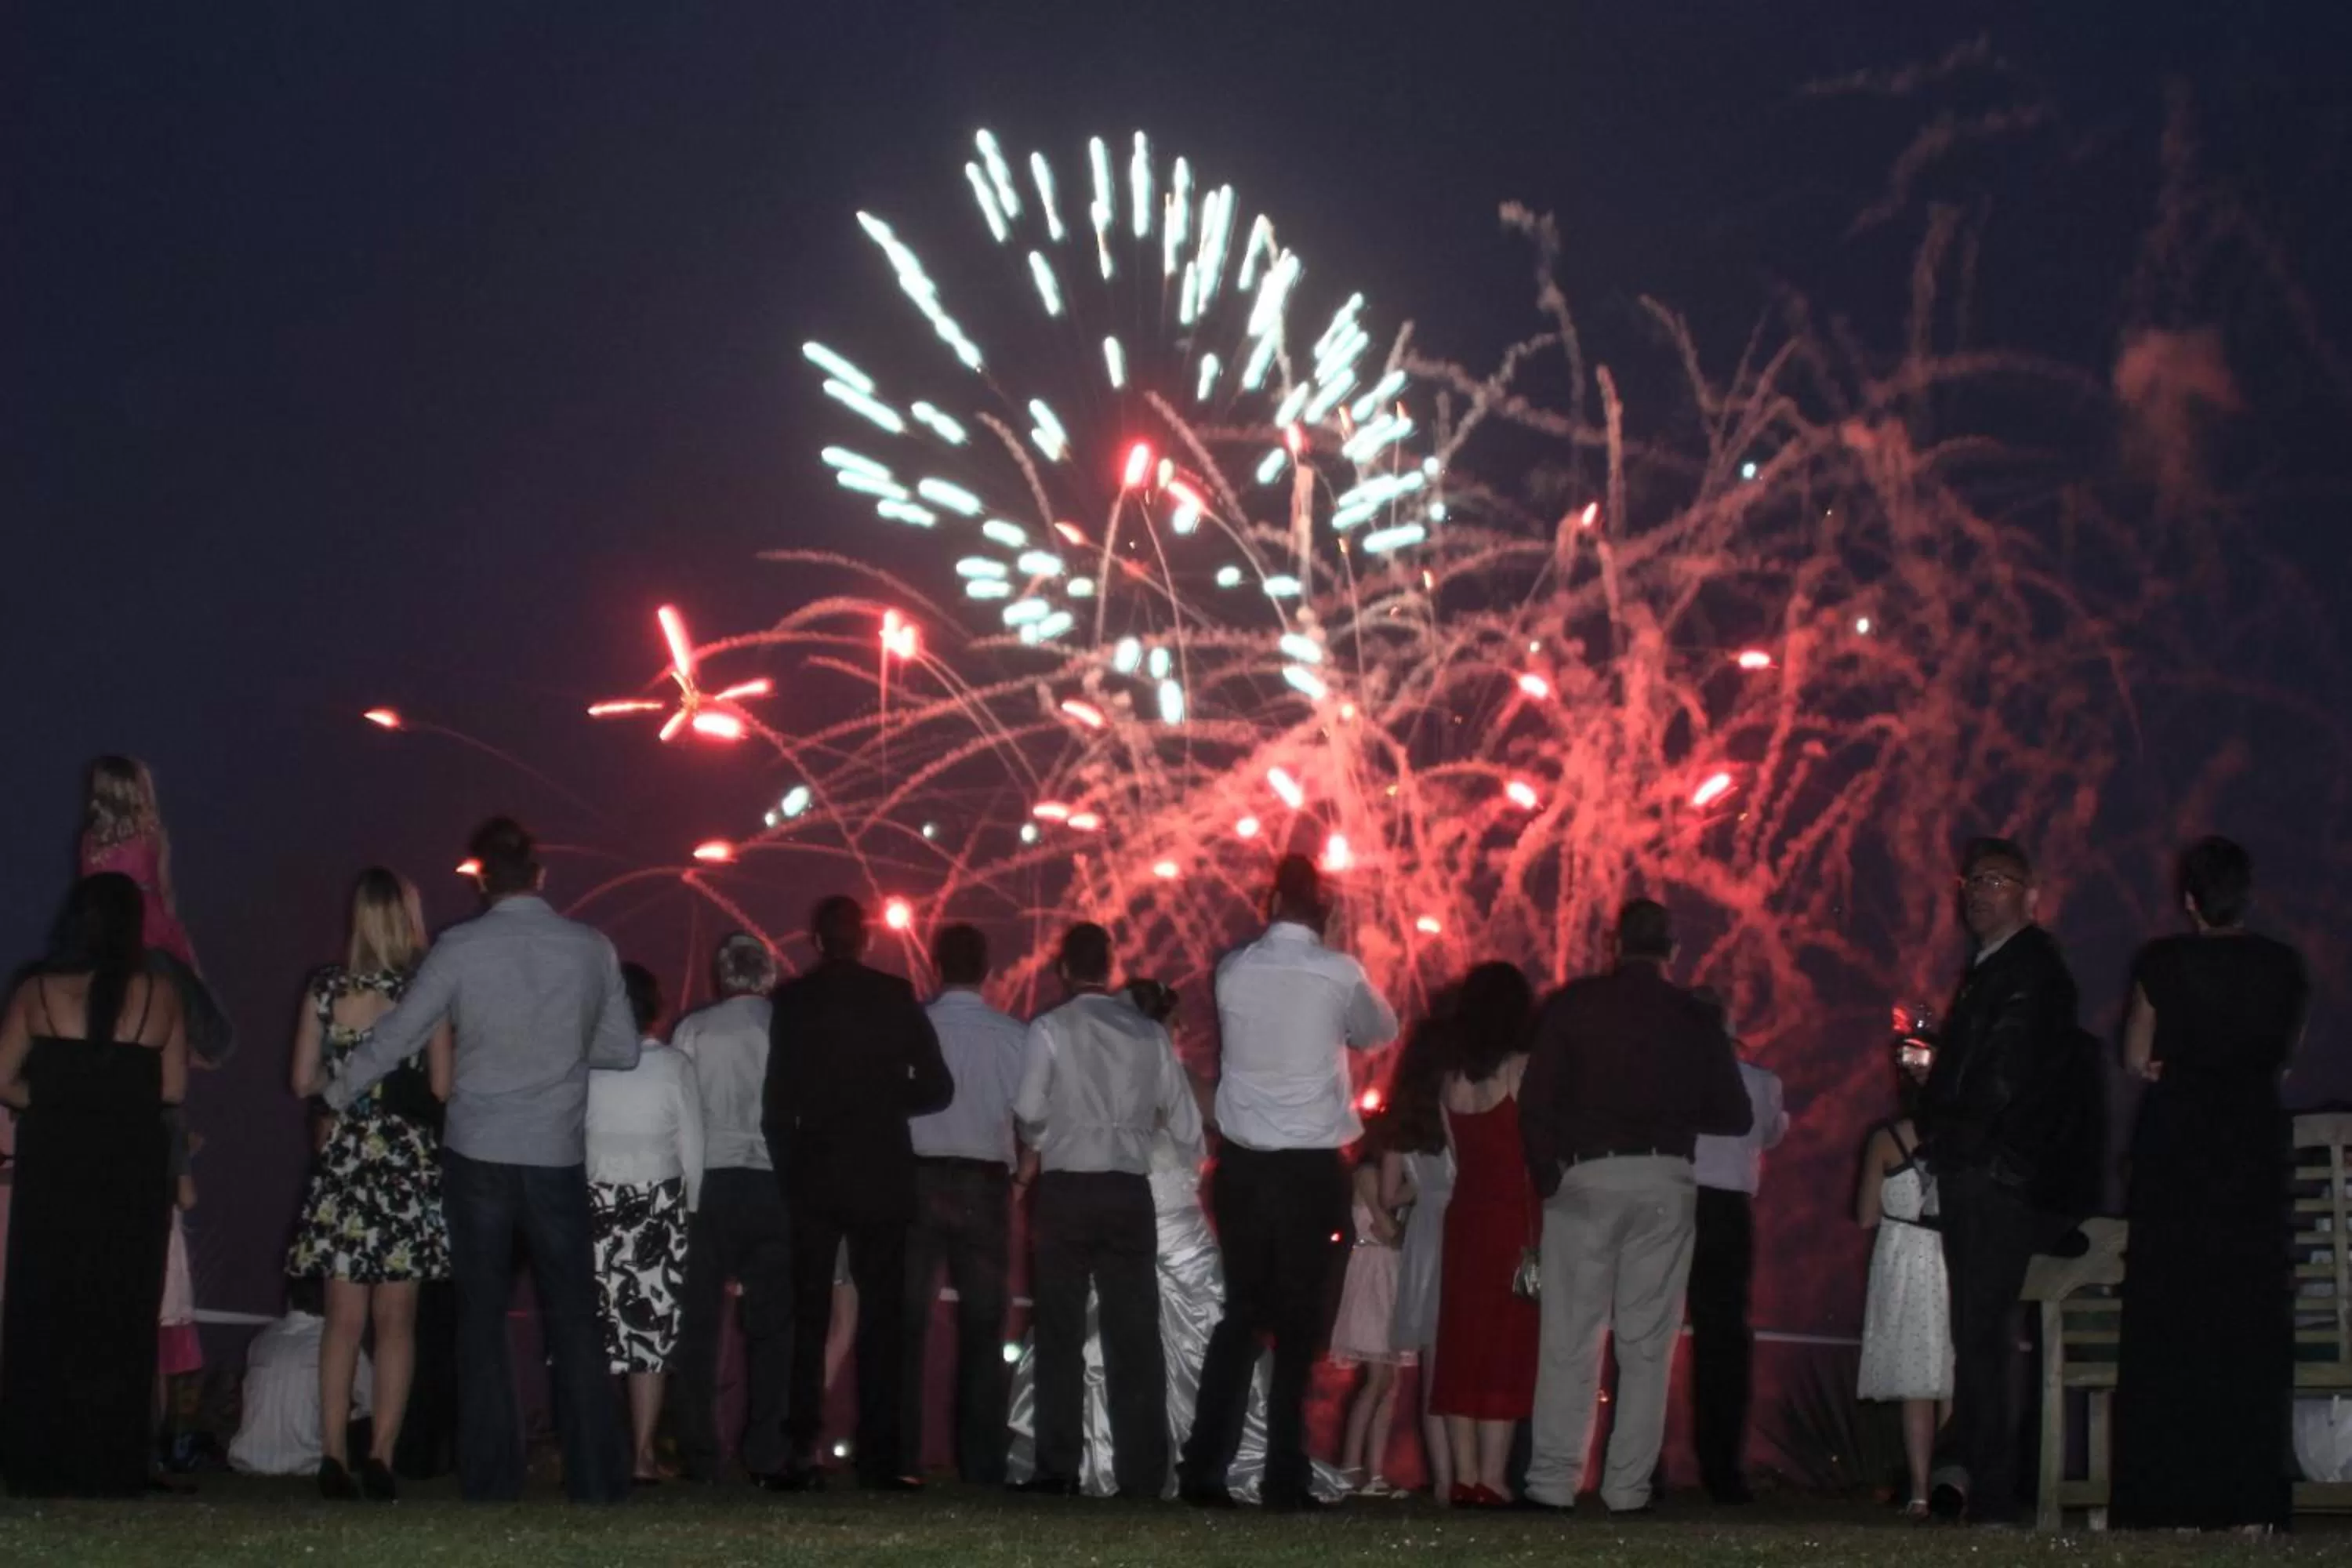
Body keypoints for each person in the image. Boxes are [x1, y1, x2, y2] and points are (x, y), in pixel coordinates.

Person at [321, 816, 641, 1504]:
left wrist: (339, 1089)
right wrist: (557, 1049)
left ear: (482, 880)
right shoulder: (591, 948)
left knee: (481, 1317)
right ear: (541, 875)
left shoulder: (459, 947)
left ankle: (493, 1478)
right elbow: (623, 1050)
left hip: (477, 1151)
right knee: (574, 1318)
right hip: (554, 1152)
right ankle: (596, 1477)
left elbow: (400, 1032)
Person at [1003, 978, 1349, 1504]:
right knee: (1181, 1336)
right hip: (1165, 1220)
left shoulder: (1097, 1062)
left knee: (1094, 1338)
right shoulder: (1180, 1076)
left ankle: (1088, 1461)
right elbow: (1209, 1137)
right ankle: (1167, 1463)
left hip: (1131, 1212)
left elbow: (1045, 1127)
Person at [1519, 898, 1753, 1515]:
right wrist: (1673, 1106)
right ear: (1673, 951)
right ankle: (1626, 1487)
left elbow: (1535, 1102)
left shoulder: (1573, 1006)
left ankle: (1551, 1480)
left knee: (1570, 1334)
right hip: (1664, 1177)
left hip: (1587, 1174)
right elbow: (1735, 1113)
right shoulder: (1692, 1017)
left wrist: (1550, 1175)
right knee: (1648, 1343)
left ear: (1612, 942)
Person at [1181, 855, 1399, 1512]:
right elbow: (1379, 1031)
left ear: (1270, 900)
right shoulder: (1338, 971)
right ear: (1328, 912)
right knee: (1301, 1325)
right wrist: (1333, 954)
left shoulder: (1234, 970)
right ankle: (1285, 1474)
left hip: (1244, 1167)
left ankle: (1205, 1469)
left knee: (1242, 1315)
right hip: (1310, 1168)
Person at [2113, 837, 2309, 1534]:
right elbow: (2281, 1059)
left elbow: (2136, 1056)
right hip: (2250, 1152)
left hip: (2180, 1154)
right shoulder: (2284, 967)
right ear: (2245, 894)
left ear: (2190, 899)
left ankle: (2170, 1502)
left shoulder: (2161, 963)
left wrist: (2169, 1066)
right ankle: (2251, 1503)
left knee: (2172, 1320)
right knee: (2246, 1322)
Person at [1915, 837, 2097, 1526]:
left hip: (1992, 1174)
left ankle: (1991, 1494)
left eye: (1997, 880)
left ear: (2030, 892)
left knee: (1983, 1337)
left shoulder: (2026, 971)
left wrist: (1940, 1114)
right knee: (1979, 1336)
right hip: (1988, 1168)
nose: (1979, 891)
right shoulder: (2002, 969)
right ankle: (1984, 1486)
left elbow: (2002, 1078)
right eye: (1974, 880)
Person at [0, 873, 187, 1497]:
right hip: (131, 1174)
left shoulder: (37, 992)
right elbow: (172, 1091)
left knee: (48, 1308)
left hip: (55, 1171)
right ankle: (111, 1460)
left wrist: (48, 1101)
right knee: (121, 1314)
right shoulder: (160, 996)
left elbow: (2, 1080)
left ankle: (39, 1458)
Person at [764, 895, 953, 1490]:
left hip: (815, 1175)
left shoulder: (791, 1002)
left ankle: (800, 1448)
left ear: (816, 940)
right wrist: (889, 1100)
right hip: (881, 1172)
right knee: (883, 1317)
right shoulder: (894, 996)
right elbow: (939, 1088)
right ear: (866, 940)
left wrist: (791, 1169)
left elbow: (777, 1103)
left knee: (810, 1315)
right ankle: (882, 1455)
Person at [1013, 926, 1203, 1499]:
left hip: (1067, 1188)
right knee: (1134, 1337)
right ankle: (1142, 1473)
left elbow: (1026, 1109)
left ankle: (1057, 1468)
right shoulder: (1147, 1033)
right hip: (1127, 1189)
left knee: (1060, 1331)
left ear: (1064, 969)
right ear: (1112, 965)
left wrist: (1048, 1134)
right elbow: (1188, 1122)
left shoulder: (1050, 1028)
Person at [285, 867, 455, 1501]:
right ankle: (382, 1452)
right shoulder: (425, 993)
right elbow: (442, 1088)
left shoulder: (326, 988)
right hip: (405, 1161)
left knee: (342, 1320)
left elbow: (302, 1080)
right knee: (398, 1321)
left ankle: (332, 1453)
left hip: (348, 1159)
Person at [905, 922, 1025, 1486]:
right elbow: (1033, 1115)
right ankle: (981, 1462)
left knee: (905, 1323)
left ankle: (900, 1456)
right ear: (987, 969)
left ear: (935, 964)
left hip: (918, 1177)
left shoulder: (913, 1027)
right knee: (983, 1327)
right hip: (983, 1181)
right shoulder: (1012, 1035)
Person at [670, 933, 793, 1484]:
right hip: (772, 1182)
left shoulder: (694, 1030)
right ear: (767, 976)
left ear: (721, 978)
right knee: (774, 1328)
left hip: (710, 1181)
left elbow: (682, 1111)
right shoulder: (786, 1029)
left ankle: (700, 1447)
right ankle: (767, 1447)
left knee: (699, 1323)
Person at [586, 963, 705, 1484]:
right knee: (648, 1340)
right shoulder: (673, 1065)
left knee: (591, 1335)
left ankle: (591, 1449)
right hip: (657, 1206)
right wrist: (691, 1212)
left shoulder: (582, 1066)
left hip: (593, 1206)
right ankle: (640, 1455)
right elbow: (693, 1151)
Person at [1430, 960, 1541, 1507]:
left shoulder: (1450, 1080)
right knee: (1506, 1343)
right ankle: (1494, 1478)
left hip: (1465, 1219)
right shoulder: (1522, 1069)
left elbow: (1456, 1156)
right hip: (1512, 1223)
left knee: (1462, 1341)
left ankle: (1464, 1475)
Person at [1686, 993, 1788, 1505]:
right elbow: (1770, 1134)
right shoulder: (1761, 1082)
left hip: (1674, 1199)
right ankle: (1722, 1467)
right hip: (1727, 1211)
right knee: (1724, 1340)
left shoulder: (1669, 1077)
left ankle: (1639, 1464)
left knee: (1647, 1333)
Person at [78, 755, 231, 1065]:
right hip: (149, 939)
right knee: (207, 1038)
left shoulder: (90, 844)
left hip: (101, 946)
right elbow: (165, 896)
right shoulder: (150, 836)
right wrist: (186, 955)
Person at [1856, 1039, 1951, 1518]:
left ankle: (1919, 1492)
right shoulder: (1965, 1138)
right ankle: (1955, 1485)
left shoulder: (1885, 1140)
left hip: (1905, 1260)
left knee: (1916, 1382)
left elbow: (1866, 1215)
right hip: (1953, 1256)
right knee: (1950, 1377)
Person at [1379, 1007, 1456, 1500]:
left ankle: (1447, 1481)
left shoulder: (1406, 1119)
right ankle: (1471, 1473)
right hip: (1465, 1225)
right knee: (1464, 1356)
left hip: (1428, 1230)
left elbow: (1389, 1194)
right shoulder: (1465, 1100)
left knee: (1432, 1366)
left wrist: (1424, 1192)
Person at [1329, 1127, 1411, 1497]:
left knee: (1389, 1383)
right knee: (1377, 1378)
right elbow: (1387, 1227)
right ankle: (1349, 1466)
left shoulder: (1389, 1176)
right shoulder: (1367, 1174)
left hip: (1390, 1274)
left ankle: (1374, 1473)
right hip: (1373, 1271)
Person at [227, 1277, 375, 1476]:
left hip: (247, 1459)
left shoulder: (263, 1338)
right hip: (310, 1461)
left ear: (289, 1300)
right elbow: (373, 1403)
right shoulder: (343, 1345)